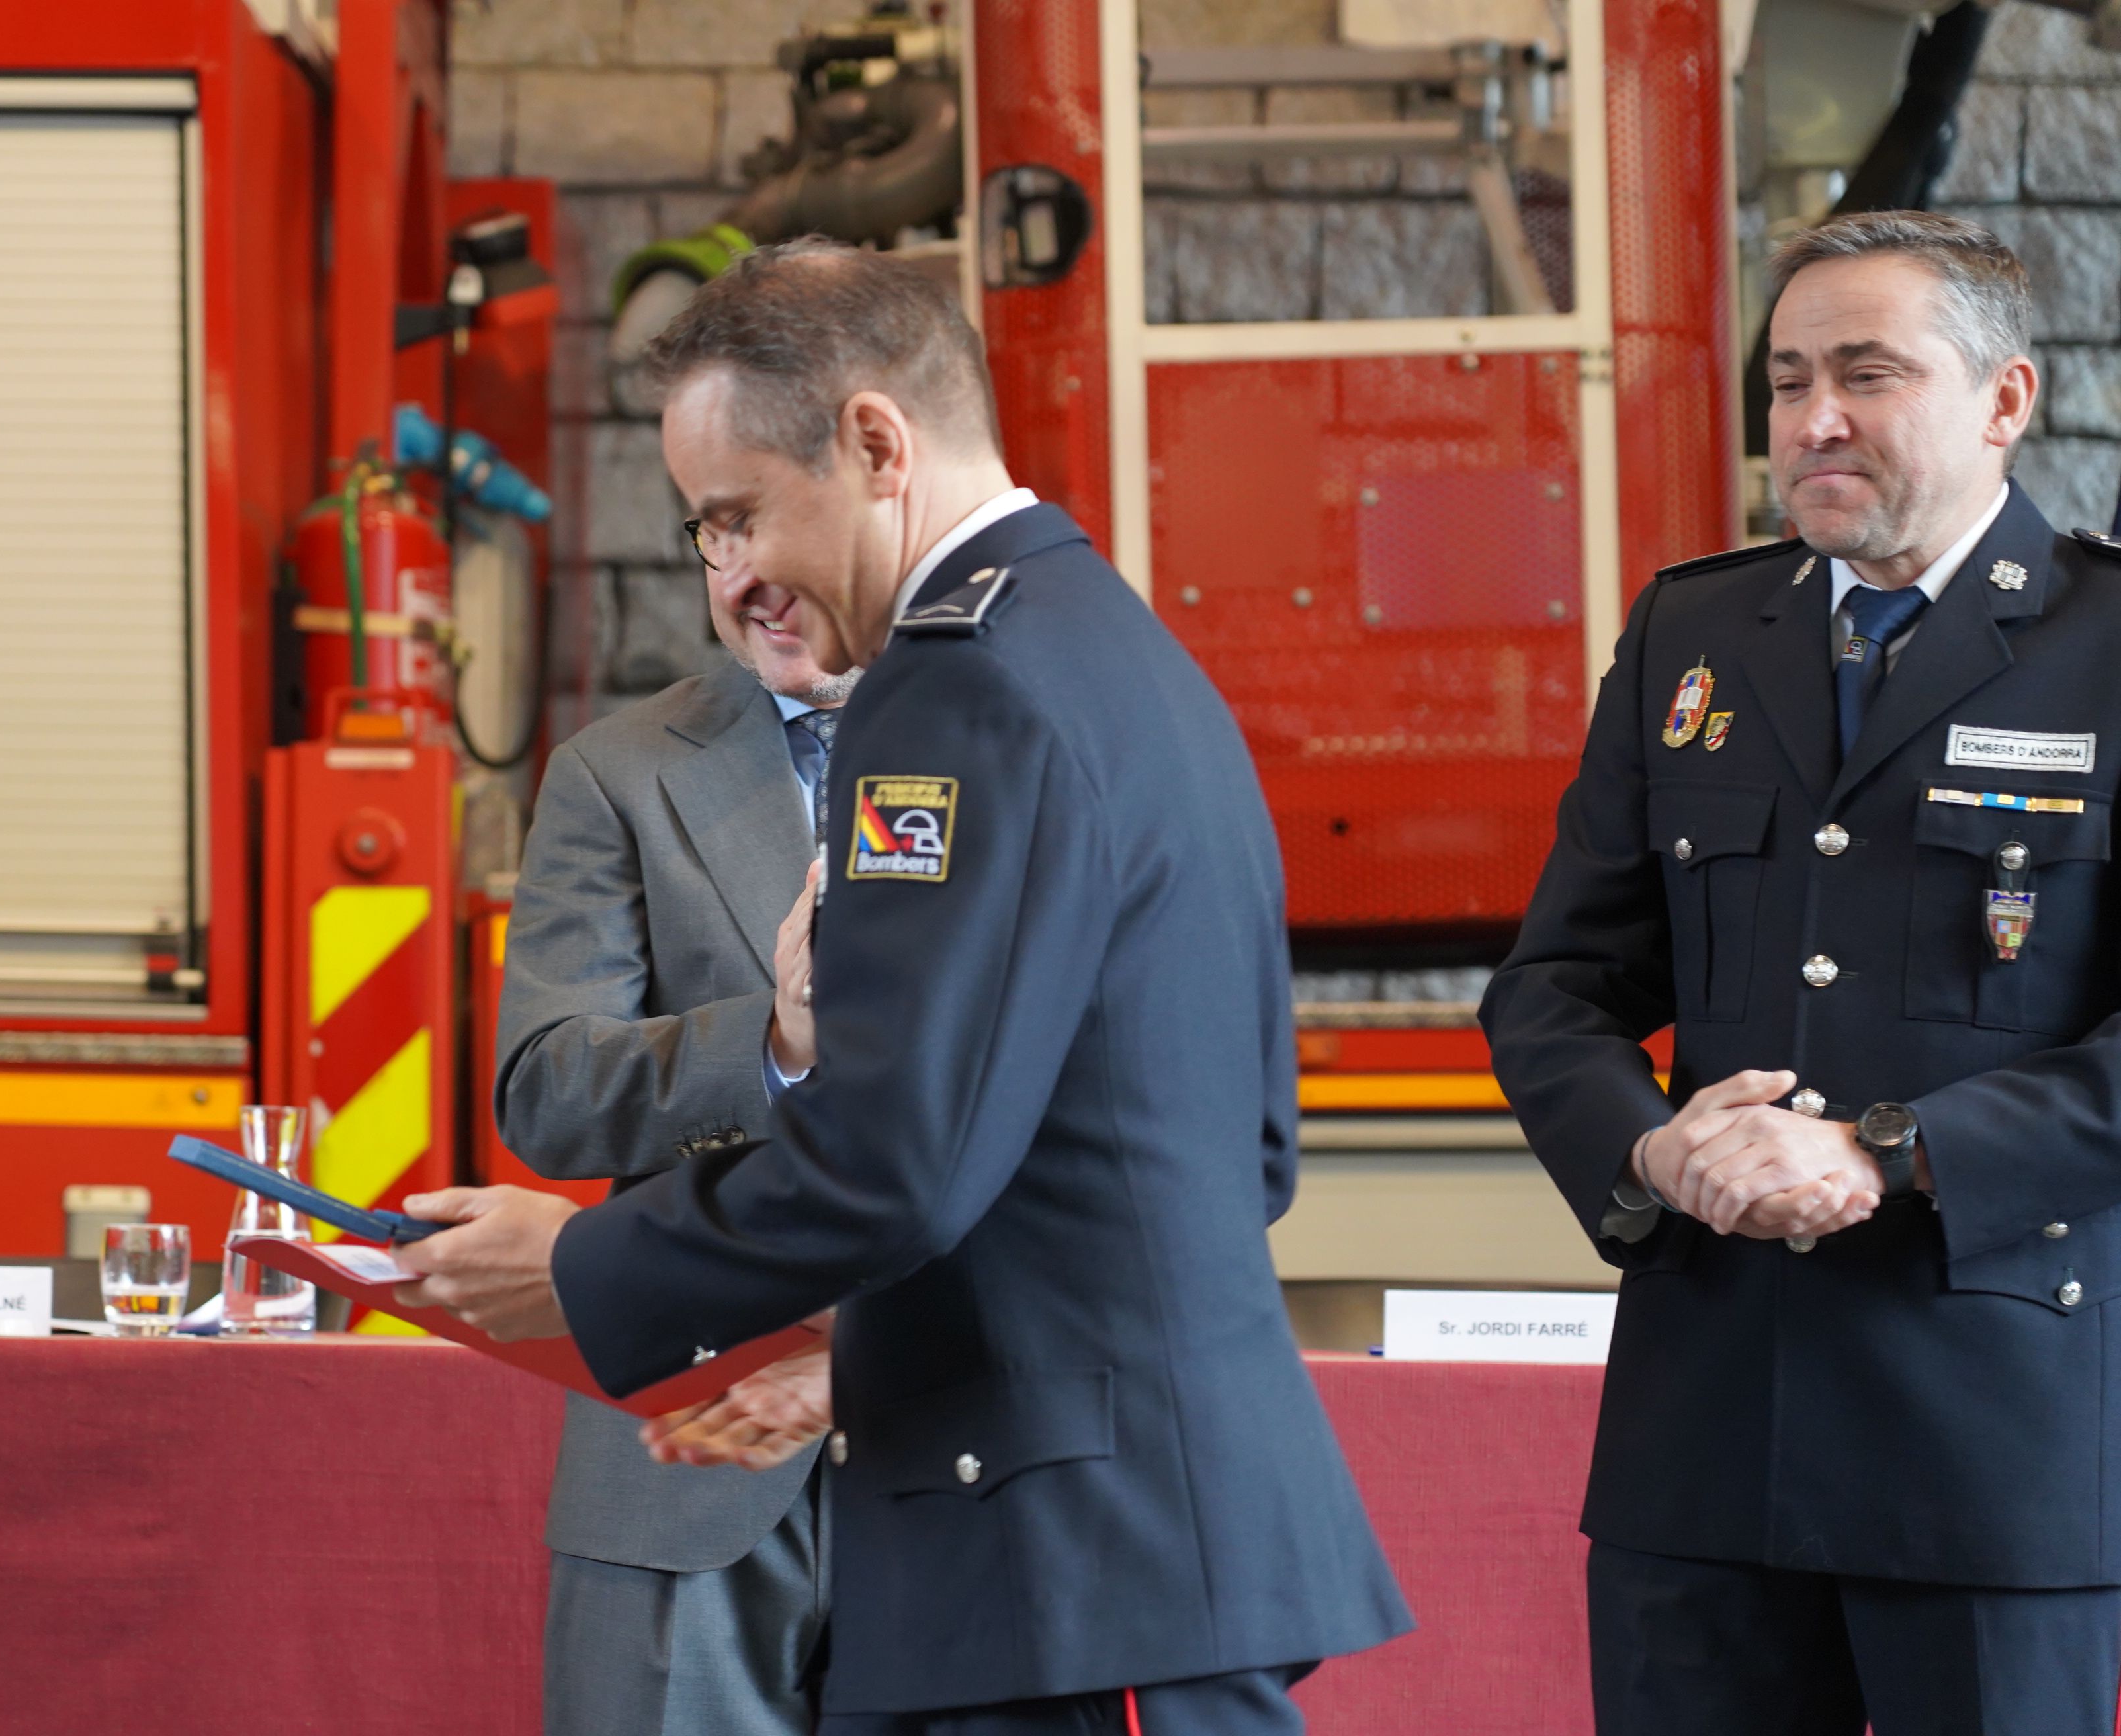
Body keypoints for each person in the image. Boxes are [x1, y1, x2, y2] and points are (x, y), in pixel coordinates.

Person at [396, 239, 1409, 1733]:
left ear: (876, 442)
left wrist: (578, 1271)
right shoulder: (1120, 657)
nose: (731, 568)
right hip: (1097, 1542)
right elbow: (1245, 1146)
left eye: (741, 510)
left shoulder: (962, 688)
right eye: (701, 532)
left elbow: (901, 1161)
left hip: (1068, 1565)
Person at [1481, 208, 2121, 1733]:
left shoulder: (2109, 649)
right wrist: (1646, 1145)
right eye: (1785, 381)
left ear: (2005, 401)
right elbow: (1554, 984)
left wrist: (1887, 1153)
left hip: (1990, 1452)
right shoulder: (1694, 633)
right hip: (1704, 1440)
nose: (1814, 419)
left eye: (1867, 374)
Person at [494, 532, 855, 1733]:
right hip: (691, 1436)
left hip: (954, 1444)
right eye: (715, 535)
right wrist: (774, 1045)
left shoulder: (1023, 749)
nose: (746, 578)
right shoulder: (619, 771)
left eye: (774, 523)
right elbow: (546, 1087)